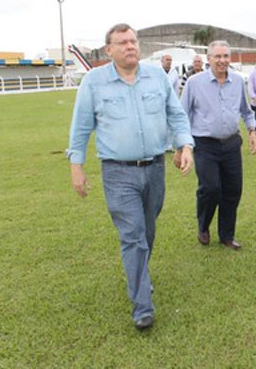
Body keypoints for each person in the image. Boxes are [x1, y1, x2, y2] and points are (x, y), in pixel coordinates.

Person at [67, 23, 194, 331]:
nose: (130, 46)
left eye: (133, 41)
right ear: (109, 50)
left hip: (155, 169)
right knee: (133, 236)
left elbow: (175, 114)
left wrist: (185, 144)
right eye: (122, 42)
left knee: (148, 232)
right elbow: (81, 126)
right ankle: (142, 306)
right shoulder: (94, 82)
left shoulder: (156, 77)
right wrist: (77, 166)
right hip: (118, 172)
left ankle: (140, 275)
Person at [180, 40, 256, 250]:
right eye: (218, 56)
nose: (222, 61)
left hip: (231, 144)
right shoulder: (194, 83)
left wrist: (252, 131)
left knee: (233, 190)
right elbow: (182, 115)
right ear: (209, 58)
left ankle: (226, 235)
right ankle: (203, 226)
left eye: (226, 56)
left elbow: (246, 110)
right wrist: (182, 147)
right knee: (211, 188)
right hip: (205, 144)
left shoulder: (237, 81)